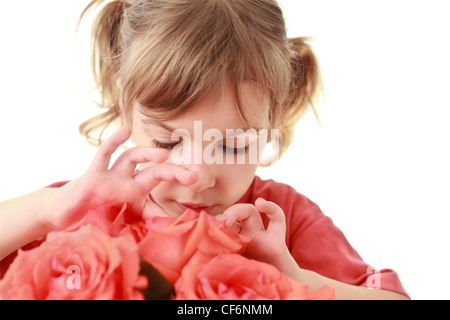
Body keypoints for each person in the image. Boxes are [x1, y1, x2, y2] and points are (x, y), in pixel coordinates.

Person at [0, 0, 408, 299]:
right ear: (125, 106)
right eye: (170, 141)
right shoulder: (83, 207)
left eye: (232, 145)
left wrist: (289, 273)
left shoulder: (279, 222)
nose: (197, 176)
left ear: (271, 123)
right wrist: (46, 211)